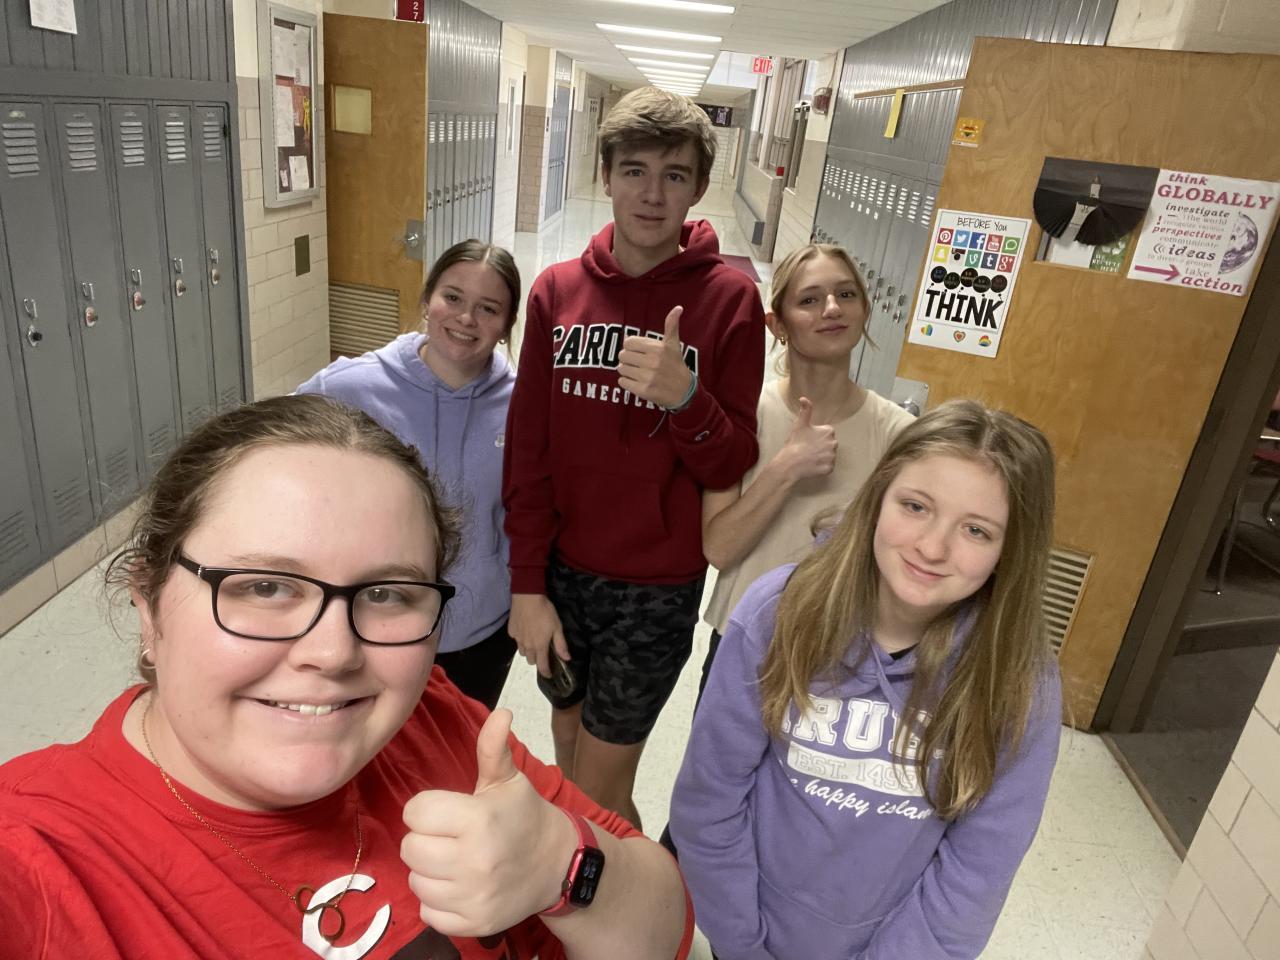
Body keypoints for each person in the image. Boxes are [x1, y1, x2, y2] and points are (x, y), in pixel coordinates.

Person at [0, 396, 692, 960]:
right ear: (148, 606)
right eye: (265, 586)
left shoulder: (436, 721)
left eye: (387, 594)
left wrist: (562, 866)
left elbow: (663, 928)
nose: (334, 653)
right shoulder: (36, 857)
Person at [670, 399, 1062, 960]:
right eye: (915, 506)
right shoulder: (778, 613)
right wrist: (741, 944)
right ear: (878, 495)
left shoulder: (1020, 679)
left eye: (977, 530)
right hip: (746, 934)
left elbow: (977, 872)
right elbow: (709, 799)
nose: (932, 547)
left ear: (1009, 551)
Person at [503, 86, 765, 826]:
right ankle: (600, 871)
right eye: (635, 171)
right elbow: (528, 452)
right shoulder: (557, 291)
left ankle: (608, 888)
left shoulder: (731, 300)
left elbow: (730, 462)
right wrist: (527, 587)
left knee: (598, 787)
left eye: (674, 175)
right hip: (562, 573)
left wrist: (686, 399)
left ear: (699, 187)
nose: (653, 194)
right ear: (607, 175)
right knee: (567, 745)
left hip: (654, 589)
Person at [298, 240, 520, 710]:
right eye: (452, 297)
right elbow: (266, 453)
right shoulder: (352, 387)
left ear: (506, 326)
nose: (466, 318)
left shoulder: (522, 405)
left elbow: (534, 510)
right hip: (374, 625)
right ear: (427, 299)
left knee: (457, 745)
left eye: (488, 308)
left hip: (481, 629)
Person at [699, 242, 915, 699]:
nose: (832, 308)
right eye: (810, 299)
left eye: (846, 294)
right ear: (777, 325)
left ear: (864, 310)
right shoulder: (742, 414)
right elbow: (719, 547)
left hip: (839, 653)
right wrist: (787, 467)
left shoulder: (898, 434)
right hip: (742, 642)